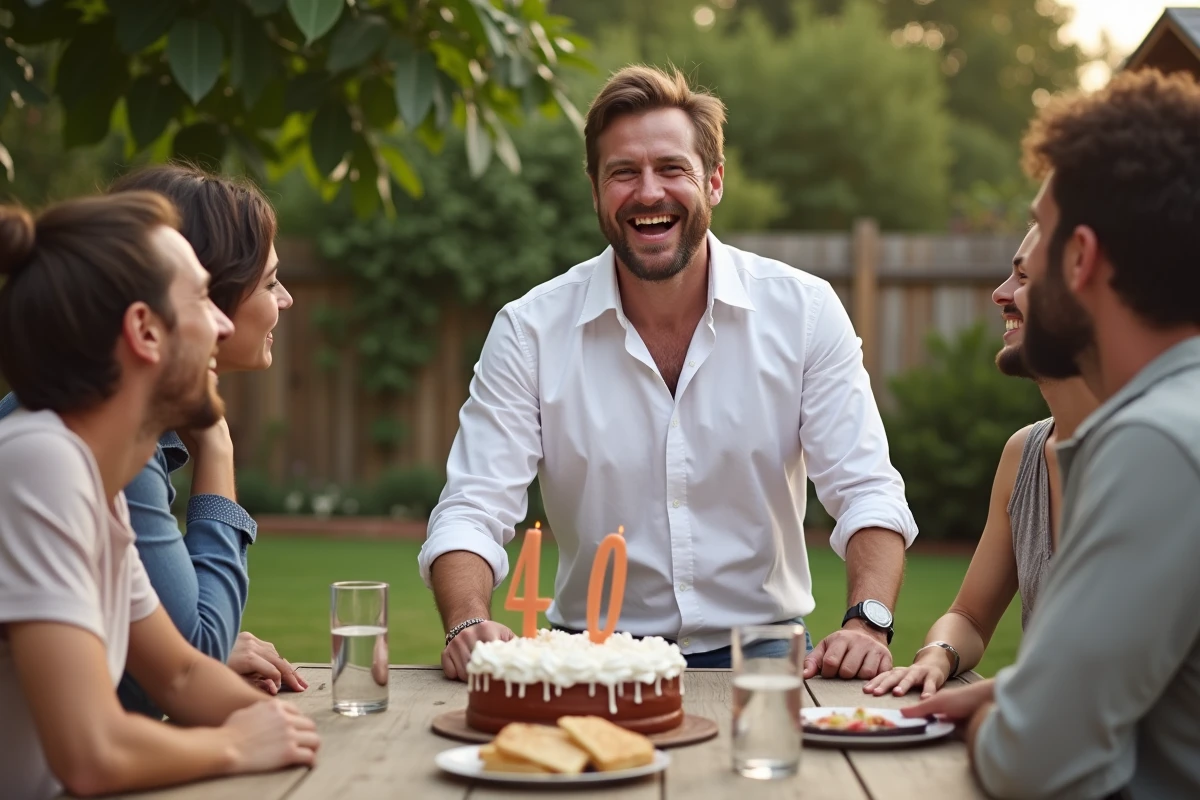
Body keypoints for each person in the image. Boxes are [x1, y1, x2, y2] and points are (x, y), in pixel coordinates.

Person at [421, 65, 918, 676]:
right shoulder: (530, 331)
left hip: (764, 655)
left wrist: (868, 622)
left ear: (713, 181)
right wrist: (468, 622)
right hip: (590, 657)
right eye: (623, 172)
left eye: (671, 169)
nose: (648, 192)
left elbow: (866, 488)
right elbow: (472, 505)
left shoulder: (805, 313)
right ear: (596, 190)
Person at [904, 68, 1200, 799]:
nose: (1016, 275)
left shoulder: (1157, 442)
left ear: (1080, 257)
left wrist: (1007, 719)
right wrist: (1016, 696)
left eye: (1043, 230)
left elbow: (1030, 764)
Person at [0, 193, 319, 799]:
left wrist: (290, 729)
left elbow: (179, 673)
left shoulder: (98, 480)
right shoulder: (38, 460)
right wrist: (237, 743)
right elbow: (93, 752)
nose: (223, 324)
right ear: (145, 330)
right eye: (202, 298)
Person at [862, 226, 1097, 699]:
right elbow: (969, 616)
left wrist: (988, 700)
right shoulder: (1024, 454)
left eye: (1024, 279)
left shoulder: (1157, 456)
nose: (1000, 294)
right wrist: (938, 655)